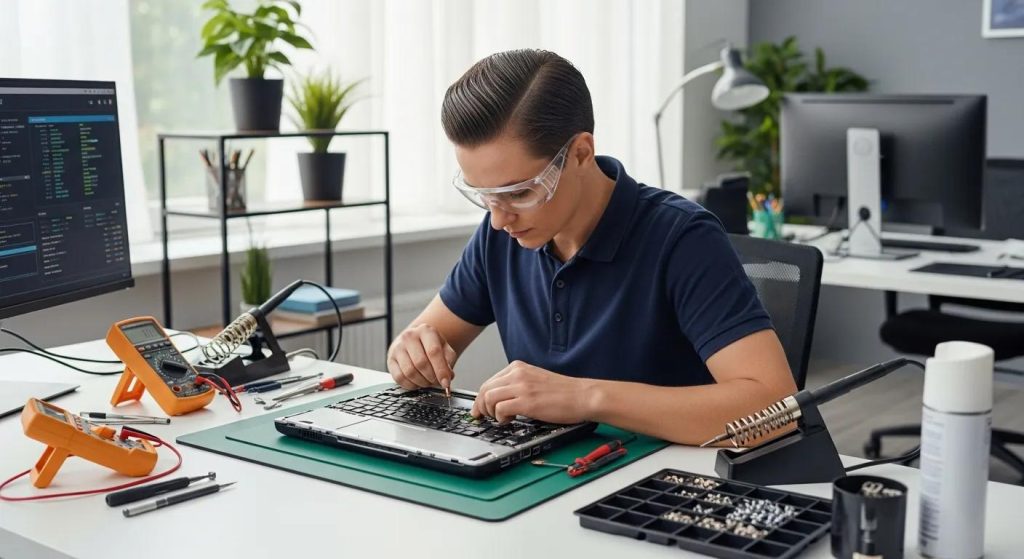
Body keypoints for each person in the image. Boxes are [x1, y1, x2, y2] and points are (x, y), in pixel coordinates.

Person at [386, 49, 795, 445]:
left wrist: (586, 398)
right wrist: (410, 354)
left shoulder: (683, 238)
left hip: (662, 485)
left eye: (519, 192)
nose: (498, 218)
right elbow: (428, 339)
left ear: (581, 153)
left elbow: (775, 411)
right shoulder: (501, 233)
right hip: (549, 475)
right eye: (484, 194)